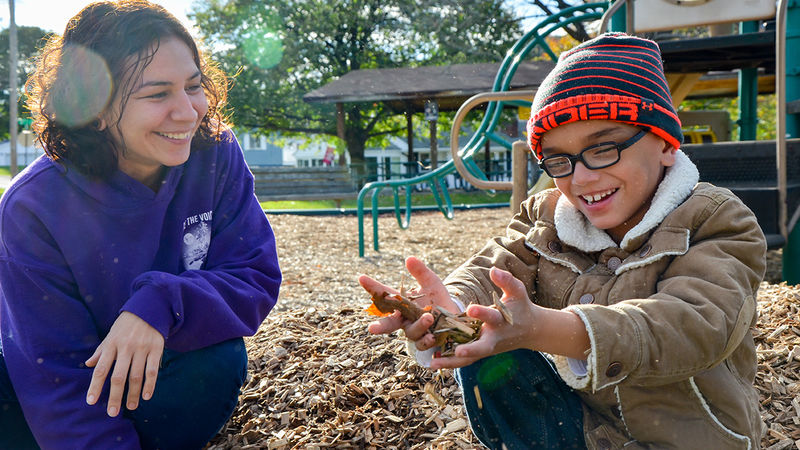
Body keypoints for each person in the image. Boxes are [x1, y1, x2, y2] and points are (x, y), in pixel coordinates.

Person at [360, 32, 766, 449]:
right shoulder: (548, 217)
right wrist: (449, 310)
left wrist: (547, 329)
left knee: (507, 338)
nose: (581, 177)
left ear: (664, 143)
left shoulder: (715, 220)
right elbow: (494, 267)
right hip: (584, 429)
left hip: (690, 438)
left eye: (604, 147)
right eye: (558, 160)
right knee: (487, 350)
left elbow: (695, 324)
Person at [0, 1, 281, 448]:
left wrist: (158, 304)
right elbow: (52, 369)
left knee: (217, 361)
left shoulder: (214, 155)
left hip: (159, 377)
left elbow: (255, 274)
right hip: (57, 396)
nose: (188, 111)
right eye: (157, 94)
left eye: (193, 86)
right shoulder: (33, 205)